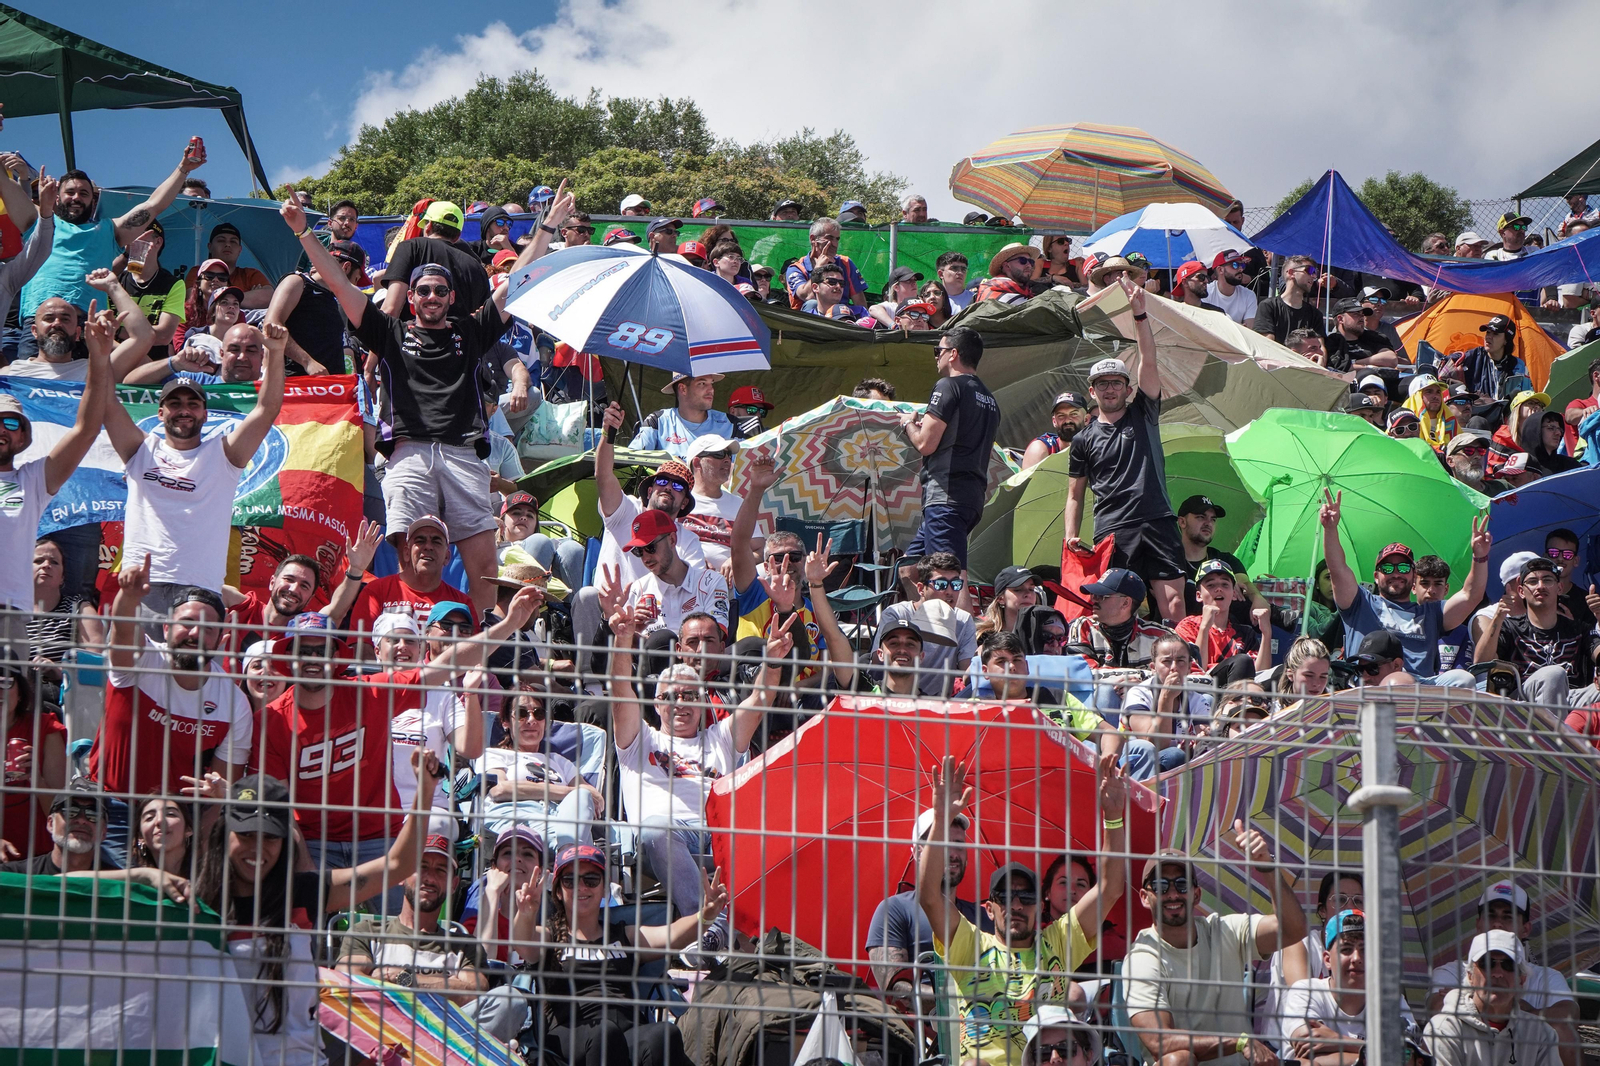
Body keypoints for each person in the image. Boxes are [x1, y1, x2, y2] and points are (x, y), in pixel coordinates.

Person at [281, 189, 560, 614]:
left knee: (485, 565)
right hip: (408, 453)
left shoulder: (471, 332)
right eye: (423, 290)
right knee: (410, 563)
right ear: (410, 297)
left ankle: (479, 642)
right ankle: (408, 631)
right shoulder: (388, 331)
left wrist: (549, 226)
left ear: (451, 297)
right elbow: (338, 282)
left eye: (440, 290)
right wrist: (303, 232)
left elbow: (516, 279)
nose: (432, 296)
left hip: (464, 454)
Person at [191, 759, 448, 1066]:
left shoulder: (304, 891)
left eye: (270, 837)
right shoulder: (195, 903)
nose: (258, 848)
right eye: (246, 834)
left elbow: (398, 865)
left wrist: (425, 790)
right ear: (225, 833)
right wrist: (148, 875)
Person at [255, 594, 538, 872]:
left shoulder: (369, 693)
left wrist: (509, 624)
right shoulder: (271, 721)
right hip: (314, 841)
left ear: (336, 656)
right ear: (287, 657)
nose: (313, 660)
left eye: (322, 651)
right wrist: (304, 864)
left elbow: (447, 663)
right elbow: (280, 804)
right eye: (304, 651)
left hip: (378, 835)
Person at [605, 596, 791, 960]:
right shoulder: (640, 739)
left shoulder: (720, 737)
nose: (681, 703)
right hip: (664, 838)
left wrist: (771, 662)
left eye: (690, 695)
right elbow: (619, 689)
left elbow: (761, 698)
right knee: (656, 828)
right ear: (656, 703)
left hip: (725, 836)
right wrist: (623, 640)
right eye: (671, 696)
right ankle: (710, 925)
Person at [919, 755, 1126, 1066]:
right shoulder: (969, 945)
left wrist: (1113, 816)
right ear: (989, 909)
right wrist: (940, 820)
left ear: (1040, 906)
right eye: (1004, 897)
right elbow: (930, 897)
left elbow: (1110, 887)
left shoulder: (1059, 941)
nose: (1016, 905)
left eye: (1026, 896)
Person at [104, 325, 286, 606]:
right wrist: (98, 353)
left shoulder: (225, 457)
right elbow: (105, 400)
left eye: (193, 404)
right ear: (160, 412)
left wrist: (276, 352)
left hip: (201, 591)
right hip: (140, 586)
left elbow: (267, 408)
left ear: (205, 414)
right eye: (175, 404)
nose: (184, 410)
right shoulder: (140, 449)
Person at [529, 843, 724, 1066]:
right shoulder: (549, 935)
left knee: (664, 1034)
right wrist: (526, 913)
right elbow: (523, 943)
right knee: (604, 1034)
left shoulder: (624, 935)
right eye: (570, 881)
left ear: (604, 888)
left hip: (626, 1032)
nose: (581, 887)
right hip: (572, 1034)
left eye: (591, 879)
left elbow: (673, 935)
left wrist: (707, 914)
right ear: (558, 891)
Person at [1124, 831, 1308, 1066]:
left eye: (1182, 884)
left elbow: (1293, 930)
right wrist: (1238, 1042)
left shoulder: (1225, 930)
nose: (1173, 894)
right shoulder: (1142, 956)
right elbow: (1159, 1041)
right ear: (1144, 897)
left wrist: (1267, 867)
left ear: (1196, 894)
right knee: (1178, 1059)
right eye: (1160, 886)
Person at [89, 555, 252, 813]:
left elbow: (220, 795)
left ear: (221, 639)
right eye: (187, 623)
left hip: (177, 820)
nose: (195, 633)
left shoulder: (235, 703)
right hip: (110, 807)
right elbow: (123, 630)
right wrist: (129, 597)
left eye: (208, 628)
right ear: (166, 628)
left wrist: (198, 837)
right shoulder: (142, 658)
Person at [1066, 281, 1186, 623]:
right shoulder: (1082, 439)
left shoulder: (1143, 412)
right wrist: (1070, 535)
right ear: (1092, 391)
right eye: (1102, 384)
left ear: (1128, 389)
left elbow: (1149, 360)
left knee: (1174, 603)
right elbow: (1074, 494)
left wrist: (1140, 315)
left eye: (1116, 382)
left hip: (1158, 519)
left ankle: (1179, 656)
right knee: (1116, 608)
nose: (1110, 388)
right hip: (1113, 529)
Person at [19, 141, 205, 361]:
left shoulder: (108, 231)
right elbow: (6, 189)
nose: (76, 197)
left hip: (88, 324)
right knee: (28, 382)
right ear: (57, 197)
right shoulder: (39, 223)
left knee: (89, 383)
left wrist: (183, 169)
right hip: (40, 320)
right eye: (70, 192)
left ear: (93, 201)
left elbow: (153, 205)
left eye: (84, 193)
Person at [336, 834, 526, 1042]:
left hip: (447, 1040)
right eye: (422, 867)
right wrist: (448, 986)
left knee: (510, 1000)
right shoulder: (366, 932)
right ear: (402, 875)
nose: (429, 878)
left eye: (441, 870)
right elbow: (347, 981)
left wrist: (403, 979)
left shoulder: (463, 945)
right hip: (383, 1033)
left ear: (453, 884)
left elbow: (475, 991)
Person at [0, 310, 111, 652]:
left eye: (12, 423)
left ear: (23, 437)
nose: (2, 429)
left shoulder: (32, 481)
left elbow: (86, 429)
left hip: (10, 618)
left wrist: (100, 359)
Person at [1320, 490, 1489, 680]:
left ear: (1414, 575)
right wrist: (1330, 529)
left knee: (1463, 679)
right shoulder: (1359, 603)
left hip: (1421, 689)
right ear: (1376, 576)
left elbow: (1470, 595)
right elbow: (1337, 568)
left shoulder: (1431, 613)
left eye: (1403, 567)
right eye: (1387, 568)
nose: (1396, 573)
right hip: (1370, 685)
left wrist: (1480, 556)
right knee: (1398, 681)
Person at [1427, 881, 1578, 1066]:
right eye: (1486, 964)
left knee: (1562, 1033)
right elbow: (1437, 1009)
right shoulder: (1449, 971)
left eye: (1508, 917)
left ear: (1526, 928)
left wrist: (1506, 1005)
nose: (1497, 923)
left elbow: (1568, 1016)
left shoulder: (1548, 977)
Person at [900, 326, 1000, 582]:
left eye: (938, 351)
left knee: (950, 576)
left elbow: (925, 444)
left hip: (946, 495)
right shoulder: (990, 399)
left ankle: (958, 611)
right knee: (909, 570)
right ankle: (922, 610)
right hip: (970, 496)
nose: (936, 356)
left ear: (953, 353)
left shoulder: (947, 386)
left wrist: (908, 424)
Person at [866, 805, 989, 1006]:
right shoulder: (893, 910)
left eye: (959, 844)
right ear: (917, 852)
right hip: (921, 1025)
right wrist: (958, 997)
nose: (952, 853)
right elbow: (896, 990)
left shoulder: (983, 917)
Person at [476, 680, 602, 849]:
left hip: (560, 821)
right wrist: (568, 792)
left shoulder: (559, 761)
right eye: (521, 713)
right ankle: (569, 854)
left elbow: (594, 797)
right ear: (505, 722)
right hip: (517, 818)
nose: (531, 720)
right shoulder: (494, 755)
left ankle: (568, 851)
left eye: (539, 714)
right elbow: (500, 790)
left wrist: (575, 794)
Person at [1280, 909, 1416, 1058]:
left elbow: (1411, 1057)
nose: (1356, 958)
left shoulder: (1391, 1000)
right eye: (1346, 949)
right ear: (1327, 960)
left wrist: (1336, 1040)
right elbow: (1309, 1052)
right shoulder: (1306, 991)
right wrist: (1383, 1054)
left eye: (1365, 950)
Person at [1423, 931, 1561, 1066]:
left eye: (1508, 965)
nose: (1497, 973)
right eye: (1487, 963)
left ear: (1521, 980)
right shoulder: (1443, 1030)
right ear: (1470, 976)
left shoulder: (1541, 1034)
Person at [1476, 557, 1595, 708]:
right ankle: (1553, 725)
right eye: (1533, 582)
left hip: (1571, 697)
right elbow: (1481, 662)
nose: (1540, 586)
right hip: (1523, 701)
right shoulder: (1509, 627)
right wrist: (1497, 618)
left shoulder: (1578, 628)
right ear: (1521, 591)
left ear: (1559, 588)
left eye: (1547, 580)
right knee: (1553, 674)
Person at [1099, 632, 1210, 780]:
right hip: (1135, 762)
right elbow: (1153, 744)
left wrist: (1203, 740)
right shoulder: (1138, 694)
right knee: (1175, 755)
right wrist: (1166, 698)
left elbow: (1203, 742)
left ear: (1190, 667)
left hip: (1178, 761)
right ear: (1153, 667)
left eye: (1181, 661)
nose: (1174, 668)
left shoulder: (1197, 699)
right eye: (1166, 661)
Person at [346, 515, 473, 638]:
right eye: (420, 541)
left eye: (436, 541)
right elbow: (361, 646)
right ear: (406, 553)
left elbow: (475, 648)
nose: (428, 546)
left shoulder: (461, 602)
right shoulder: (376, 591)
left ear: (447, 557)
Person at [871, 552, 978, 697]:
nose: (949, 592)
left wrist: (983, 657)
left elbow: (968, 677)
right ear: (921, 589)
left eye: (956, 584)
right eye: (941, 584)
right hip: (893, 696)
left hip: (938, 704)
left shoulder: (963, 620)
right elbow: (877, 664)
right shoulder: (897, 614)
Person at [619, 508, 731, 639]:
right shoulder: (637, 589)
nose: (645, 558)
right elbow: (622, 647)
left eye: (650, 547)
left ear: (672, 540)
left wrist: (659, 643)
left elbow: (715, 637)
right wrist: (633, 634)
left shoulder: (711, 581)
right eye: (638, 551)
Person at [0, 655, 66, 860]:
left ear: (20, 692)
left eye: (5, 682)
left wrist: (36, 779)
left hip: (37, 857)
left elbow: (60, 815)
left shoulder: (44, 728)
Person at [380, 200, 493, 318]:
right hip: (463, 330)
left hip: (412, 329)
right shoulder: (476, 266)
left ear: (428, 226)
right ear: (458, 236)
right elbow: (483, 319)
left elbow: (390, 309)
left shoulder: (410, 247)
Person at [679, 434, 760, 572]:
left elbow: (759, 549)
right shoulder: (679, 501)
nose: (727, 460)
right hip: (686, 578)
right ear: (697, 463)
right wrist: (691, 560)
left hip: (728, 582)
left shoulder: (740, 504)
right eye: (719, 454)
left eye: (729, 455)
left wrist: (737, 560)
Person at [1177, 560, 1273, 672]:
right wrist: (1204, 628)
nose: (1219, 589)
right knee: (1241, 661)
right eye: (1211, 585)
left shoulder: (1245, 633)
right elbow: (1195, 670)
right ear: (1199, 595)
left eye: (1225, 584)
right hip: (1203, 682)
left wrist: (1266, 633)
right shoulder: (1188, 626)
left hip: (1240, 682)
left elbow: (1260, 674)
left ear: (1234, 594)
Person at [629, 372, 737, 458]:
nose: (711, 390)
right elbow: (631, 460)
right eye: (702, 383)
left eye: (711, 383)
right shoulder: (658, 421)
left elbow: (742, 470)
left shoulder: (731, 423)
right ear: (683, 389)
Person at [1443, 315, 1531, 404]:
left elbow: (1528, 396)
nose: (1489, 337)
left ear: (1506, 340)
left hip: (1507, 412)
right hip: (1476, 411)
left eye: (1495, 334)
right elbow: (1443, 361)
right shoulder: (1472, 357)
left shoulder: (1518, 366)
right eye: (1488, 332)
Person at [784, 218, 868, 308]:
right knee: (812, 304)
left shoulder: (845, 263)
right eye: (829, 238)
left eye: (837, 239)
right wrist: (818, 268)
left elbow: (860, 304)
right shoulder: (796, 269)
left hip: (841, 313)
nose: (834, 244)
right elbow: (807, 296)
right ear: (813, 239)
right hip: (808, 315)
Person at [1414, 556, 1473, 672]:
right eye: (1425, 583)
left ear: (1446, 589)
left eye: (1437, 584)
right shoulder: (1401, 625)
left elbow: (1461, 676)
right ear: (1413, 587)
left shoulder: (1462, 633)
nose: (1431, 590)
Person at [1254, 255, 1326, 344]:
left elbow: (1320, 347)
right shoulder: (1269, 306)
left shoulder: (1315, 314)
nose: (1314, 276)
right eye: (1310, 270)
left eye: (1315, 272)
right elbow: (1267, 344)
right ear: (1291, 273)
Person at [1324, 298, 1398, 372]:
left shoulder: (1373, 337)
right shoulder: (1332, 343)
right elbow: (1339, 367)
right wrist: (1370, 366)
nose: (1362, 317)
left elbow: (1391, 359)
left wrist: (1356, 362)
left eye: (1362, 314)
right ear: (1340, 319)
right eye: (1356, 314)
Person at [1021, 392, 1090, 470]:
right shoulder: (1042, 449)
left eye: (1074, 414)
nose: (1067, 420)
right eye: (1061, 416)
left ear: (1086, 419)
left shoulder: (1097, 446)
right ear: (1054, 421)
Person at [1206, 249, 1258, 326]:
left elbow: (1249, 328)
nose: (1241, 269)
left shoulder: (1249, 295)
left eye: (1242, 265)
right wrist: (1238, 326)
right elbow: (1205, 326)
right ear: (1220, 270)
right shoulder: (1206, 292)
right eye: (1235, 265)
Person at [800, 262, 866, 320]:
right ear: (815, 287)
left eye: (842, 283)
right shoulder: (806, 318)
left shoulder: (859, 313)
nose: (838, 286)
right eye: (832, 282)